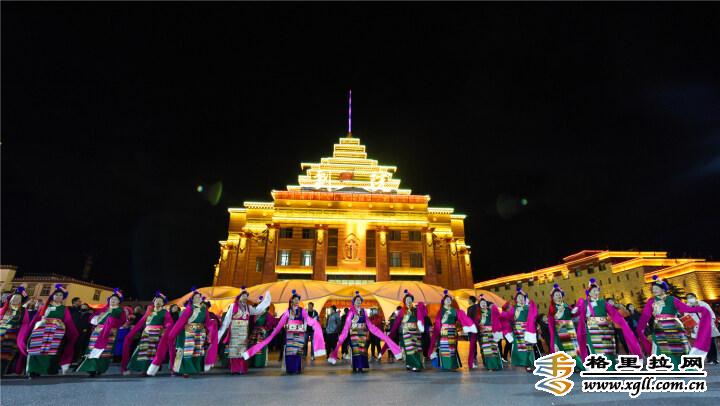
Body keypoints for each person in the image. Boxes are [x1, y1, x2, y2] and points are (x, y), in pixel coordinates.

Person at [635, 276, 712, 369]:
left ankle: (682, 366)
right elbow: (645, 316)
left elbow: (685, 308)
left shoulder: (672, 299)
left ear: (663, 289)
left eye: (656, 288)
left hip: (675, 327)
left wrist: (701, 309)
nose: (654, 290)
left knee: (678, 347)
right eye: (653, 289)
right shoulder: (651, 301)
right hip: (659, 328)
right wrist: (640, 328)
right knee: (663, 347)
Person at [242, 290, 325, 374]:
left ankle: (297, 369)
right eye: (295, 299)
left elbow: (309, 320)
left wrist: (315, 323)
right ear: (292, 300)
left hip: (299, 334)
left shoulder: (302, 310)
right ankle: (290, 369)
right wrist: (275, 330)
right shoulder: (288, 311)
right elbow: (281, 323)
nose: (297, 301)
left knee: (297, 351)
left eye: (298, 300)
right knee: (290, 351)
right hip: (290, 334)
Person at [577, 278, 642, 371]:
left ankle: (611, 368)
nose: (596, 292)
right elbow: (580, 315)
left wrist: (622, 322)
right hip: (593, 329)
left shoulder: (603, 302)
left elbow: (614, 313)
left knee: (608, 349)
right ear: (589, 293)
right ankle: (601, 369)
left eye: (597, 290)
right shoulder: (585, 303)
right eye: (594, 291)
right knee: (598, 350)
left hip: (605, 328)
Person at [328, 291, 402, 372]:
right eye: (357, 300)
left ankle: (360, 367)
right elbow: (347, 325)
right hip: (354, 334)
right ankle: (355, 367)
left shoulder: (363, 311)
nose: (358, 302)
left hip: (363, 334)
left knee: (362, 350)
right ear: (354, 302)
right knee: (356, 351)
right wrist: (343, 334)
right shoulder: (351, 312)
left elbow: (368, 324)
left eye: (360, 300)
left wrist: (376, 330)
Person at [18, 284, 79, 377]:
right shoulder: (45, 307)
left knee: (51, 351)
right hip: (40, 331)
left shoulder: (64, 309)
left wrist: (70, 331)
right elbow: (36, 319)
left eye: (61, 295)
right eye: (56, 295)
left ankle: (46, 369)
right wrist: (30, 329)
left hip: (56, 332)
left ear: (63, 298)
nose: (58, 297)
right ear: (52, 296)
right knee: (35, 349)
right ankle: (32, 370)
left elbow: (68, 322)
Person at [156, 288, 218, 377]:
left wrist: (213, 323)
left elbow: (207, 322)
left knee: (197, 351)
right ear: (192, 299)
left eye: (199, 297)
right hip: (189, 332)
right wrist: (174, 334)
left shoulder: (204, 309)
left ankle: (195, 368)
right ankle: (185, 370)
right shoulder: (189, 309)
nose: (198, 298)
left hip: (200, 333)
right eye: (196, 297)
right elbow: (181, 322)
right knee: (188, 351)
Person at [217, 286, 271, 375]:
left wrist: (266, 300)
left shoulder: (248, 307)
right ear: (239, 296)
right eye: (243, 295)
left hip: (244, 332)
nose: (245, 297)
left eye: (246, 296)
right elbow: (227, 319)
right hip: (234, 331)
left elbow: (257, 310)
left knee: (242, 350)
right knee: (234, 350)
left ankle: (241, 369)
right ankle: (235, 369)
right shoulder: (233, 306)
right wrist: (222, 330)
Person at [121, 291, 174, 375]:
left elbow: (169, 322)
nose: (158, 302)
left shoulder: (165, 312)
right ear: (154, 301)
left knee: (153, 352)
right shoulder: (149, 311)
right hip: (146, 334)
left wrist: (166, 328)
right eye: (156, 300)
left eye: (160, 301)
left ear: (163, 303)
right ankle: (143, 369)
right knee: (143, 351)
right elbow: (142, 321)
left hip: (157, 334)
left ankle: (152, 368)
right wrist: (133, 331)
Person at [77, 289, 127, 376]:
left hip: (110, 333)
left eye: (115, 299)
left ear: (119, 302)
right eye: (111, 299)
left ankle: (100, 367)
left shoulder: (120, 310)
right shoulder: (104, 309)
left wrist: (112, 322)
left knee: (105, 351)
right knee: (93, 348)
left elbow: (122, 321)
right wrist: (97, 318)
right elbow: (93, 318)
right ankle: (92, 368)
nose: (113, 300)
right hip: (98, 331)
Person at [429, 290, 477, 371]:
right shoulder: (441, 311)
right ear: (444, 301)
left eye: (450, 300)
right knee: (445, 349)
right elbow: (438, 323)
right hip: (444, 332)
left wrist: (468, 325)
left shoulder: (454, 310)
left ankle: (452, 365)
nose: (449, 301)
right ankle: (445, 365)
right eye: (447, 299)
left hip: (453, 332)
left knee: (452, 349)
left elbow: (462, 317)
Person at [381, 289, 427, 371]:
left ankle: (409, 364)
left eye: (410, 299)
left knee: (416, 349)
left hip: (416, 332)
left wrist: (422, 306)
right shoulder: (402, 311)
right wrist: (393, 331)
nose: (408, 301)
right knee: (410, 348)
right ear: (404, 301)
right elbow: (397, 322)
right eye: (407, 299)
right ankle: (416, 365)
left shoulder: (416, 309)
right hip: (406, 332)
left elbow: (424, 315)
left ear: (412, 301)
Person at [501, 287, 538, 372]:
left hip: (528, 330)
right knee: (522, 348)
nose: (521, 299)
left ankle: (530, 363)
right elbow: (507, 318)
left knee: (529, 347)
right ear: (516, 300)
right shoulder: (513, 309)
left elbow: (534, 314)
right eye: (519, 297)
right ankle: (526, 364)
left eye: (522, 297)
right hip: (518, 331)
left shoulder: (527, 307)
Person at [547, 284, 583, 371]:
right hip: (561, 329)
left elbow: (573, 314)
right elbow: (552, 320)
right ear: (553, 298)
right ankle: (582, 367)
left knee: (574, 349)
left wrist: (574, 311)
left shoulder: (566, 305)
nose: (558, 296)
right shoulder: (553, 308)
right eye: (556, 295)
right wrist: (558, 314)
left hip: (570, 328)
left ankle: (575, 366)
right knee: (569, 350)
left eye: (559, 294)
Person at [1, 287, 30, 375]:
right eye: (14, 297)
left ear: (21, 301)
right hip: (1, 333)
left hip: (12, 336)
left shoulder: (23, 311)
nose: (15, 299)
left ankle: (2, 371)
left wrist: (21, 338)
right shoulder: (4, 309)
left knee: (6, 355)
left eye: (18, 298)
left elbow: (25, 324)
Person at [685, 293, 719, 364]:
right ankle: (707, 358)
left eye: (691, 297)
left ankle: (713, 359)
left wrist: (711, 322)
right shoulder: (687, 307)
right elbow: (687, 319)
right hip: (698, 328)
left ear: (695, 297)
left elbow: (711, 313)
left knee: (711, 342)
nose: (690, 299)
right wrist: (691, 328)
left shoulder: (703, 304)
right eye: (688, 298)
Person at [248, 295, 277, 368]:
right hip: (254, 332)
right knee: (252, 345)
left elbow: (273, 322)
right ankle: (252, 362)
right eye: (259, 304)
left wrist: (266, 328)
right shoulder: (255, 314)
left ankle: (259, 363)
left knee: (260, 347)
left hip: (262, 332)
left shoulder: (267, 314)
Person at [477, 294, 503, 371]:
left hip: (492, 333)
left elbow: (497, 319)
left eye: (484, 303)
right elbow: (478, 324)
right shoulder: (478, 314)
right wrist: (482, 323)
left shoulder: (491, 311)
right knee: (487, 350)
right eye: (481, 303)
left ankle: (496, 365)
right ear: (479, 305)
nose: (483, 304)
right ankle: (490, 366)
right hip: (484, 334)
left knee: (494, 349)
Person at [466, 295, 481, 368]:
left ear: (471, 300)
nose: (467, 301)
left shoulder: (477, 307)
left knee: (480, 341)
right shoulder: (469, 308)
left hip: (477, 327)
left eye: (468, 299)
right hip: (471, 328)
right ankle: (474, 356)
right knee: (473, 343)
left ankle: (483, 354)